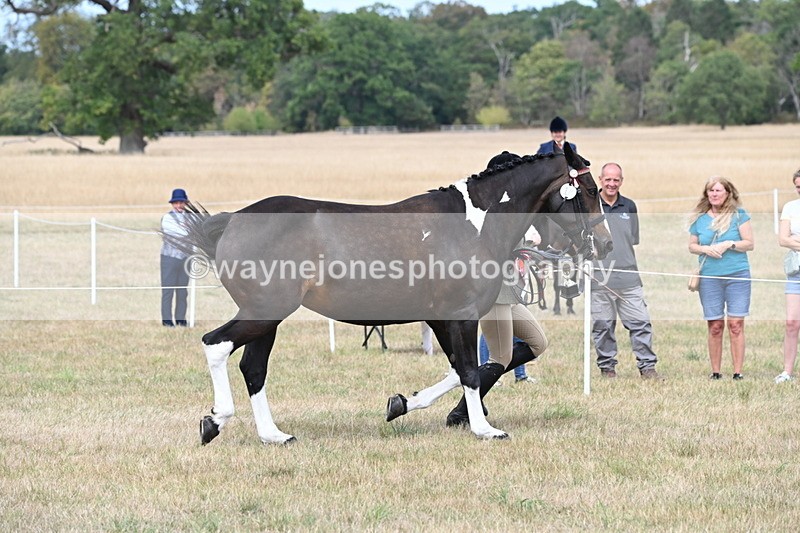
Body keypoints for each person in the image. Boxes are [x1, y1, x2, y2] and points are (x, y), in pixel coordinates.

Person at [446, 151, 548, 427]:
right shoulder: (492, 211)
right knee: (500, 357)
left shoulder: (508, 207)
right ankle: (464, 409)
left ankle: (469, 402)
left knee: (538, 343)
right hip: (495, 290)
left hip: (511, 289)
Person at [591, 163, 662, 380]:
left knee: (640, 323)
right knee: (603, 327)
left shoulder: (629, 206)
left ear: (621, 181)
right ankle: (607, 369)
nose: (612, 184)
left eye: (616, 180)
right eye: (608, 179)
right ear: (600, 179)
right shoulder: (590, 206)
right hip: (598, 278)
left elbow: (633, 238)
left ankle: (647, 368)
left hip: (629, 278)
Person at [688, 177, 754, 380]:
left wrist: (729, 244)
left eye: (718, 190)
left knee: (736, 324)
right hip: (710, 278)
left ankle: (737, 372)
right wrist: (705, 249)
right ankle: (715, 372)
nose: (714, 194)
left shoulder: (739, 215)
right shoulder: (700, 219)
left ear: (728, 193)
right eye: (711, 191)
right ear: (706, 194)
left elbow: (749, 243)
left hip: (737, 276)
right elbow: (692, 245)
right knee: (715, 325)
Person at [776, 169, 800, 383]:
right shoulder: (790, 208)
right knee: (792, 322)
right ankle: (787, 372)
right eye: (798, 187)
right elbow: (783, 240)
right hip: (796, 272)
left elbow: (791, 238)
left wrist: (796, 239)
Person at [160, 188, 190, 327]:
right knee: (168, 291)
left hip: (185, 259)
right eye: (176, 203)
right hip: (169, 259)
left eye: (181, 202)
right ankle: (167, 320)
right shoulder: (167, 218)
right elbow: (178, 233)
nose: (178, 205)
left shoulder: (191, 217)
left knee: (182, 291)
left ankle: (180, 319)